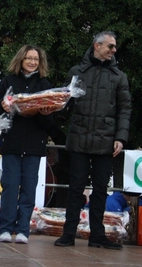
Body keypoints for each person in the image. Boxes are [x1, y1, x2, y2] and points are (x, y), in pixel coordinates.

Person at [54, 31, 131, 250]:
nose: (114, 50)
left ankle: (97, 235)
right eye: (110, 46)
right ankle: (68, 234)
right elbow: (63, 101)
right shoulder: (76, 72)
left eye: (114, 47)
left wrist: (121, 138)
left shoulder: (119, 76)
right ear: (97, 46)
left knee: (100, 190)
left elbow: (125, 109)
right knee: (75, 188)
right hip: (79, 138)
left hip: (106, 142)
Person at [0, 44, 56, 244]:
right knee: (9, 186)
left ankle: (23, 231)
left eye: (36, 59)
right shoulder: (8, 81)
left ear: (40, 62)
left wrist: (45, 114)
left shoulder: (45, 85)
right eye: (28, 58)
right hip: (11, 143)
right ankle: (5, 229)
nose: (32, 62)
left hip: (35, 146)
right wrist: (1, 105)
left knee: (29, 188)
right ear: (21, 60)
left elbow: (51, 123)